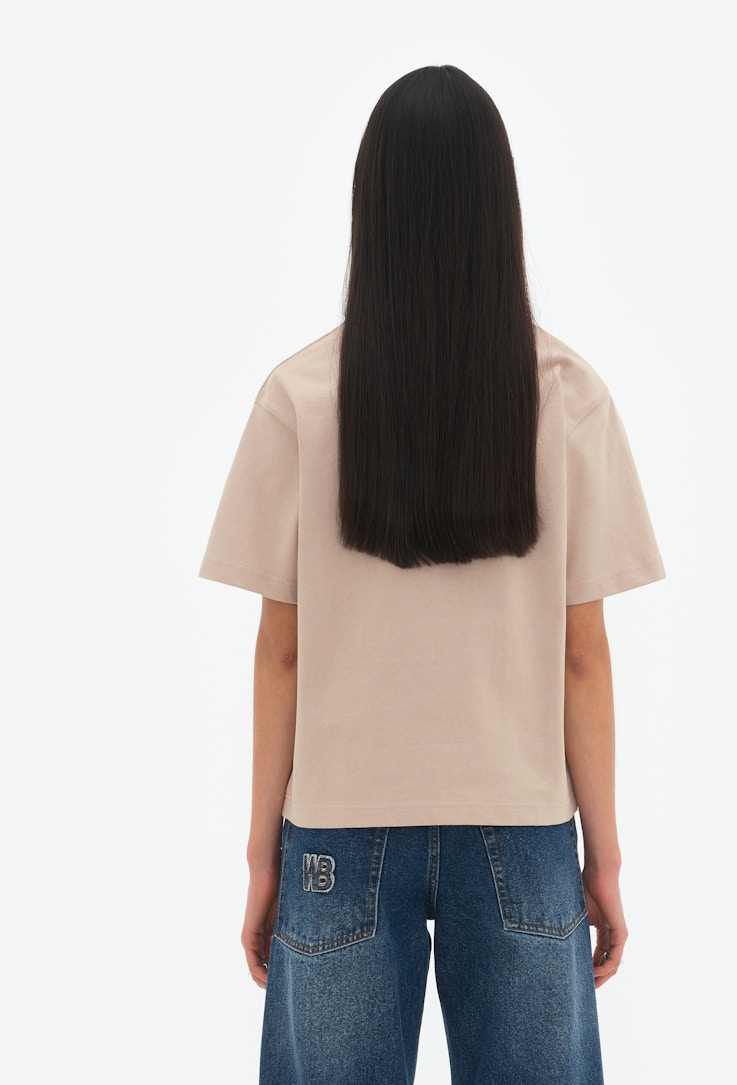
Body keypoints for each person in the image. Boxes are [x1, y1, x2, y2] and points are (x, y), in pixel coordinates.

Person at [198, 64, 666, 1085]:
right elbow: (582, 656)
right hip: (523, 825)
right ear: (500, 209)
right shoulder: (568, 395)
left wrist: (262, 856)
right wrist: (605, 857)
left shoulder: (299, 396)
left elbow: (281, 651)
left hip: (337, 825)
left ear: (371, 208)